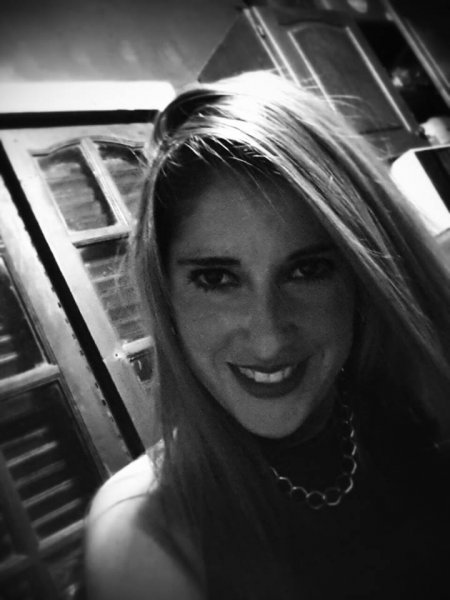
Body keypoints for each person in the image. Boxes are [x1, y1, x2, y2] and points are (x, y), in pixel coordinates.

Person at [84, 71, 450, 600]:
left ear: (360, 277)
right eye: (216, 279)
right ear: (166, 293)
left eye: (307, 271)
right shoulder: (143, 534)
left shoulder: (421, 410)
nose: (268, 340)